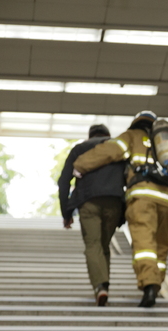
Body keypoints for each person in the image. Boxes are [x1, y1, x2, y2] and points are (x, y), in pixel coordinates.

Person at [73, 111, 168, 308]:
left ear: (136, 122)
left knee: (145, 245)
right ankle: (156, 283)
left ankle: (149, 286)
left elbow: (107, 152)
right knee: (161, 248)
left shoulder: (132, 136)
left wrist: (80, 164)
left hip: (143, 197)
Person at [58, 124, 126, 306]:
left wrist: (67, 212)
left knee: (93, 244)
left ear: (90, 136)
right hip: (114, 201)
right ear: (107, 135)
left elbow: (64, 181)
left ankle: (101, 286)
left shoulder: (80, 149)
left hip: (88, 202)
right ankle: (103, 286)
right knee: (104, 245)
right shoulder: (118, 147)